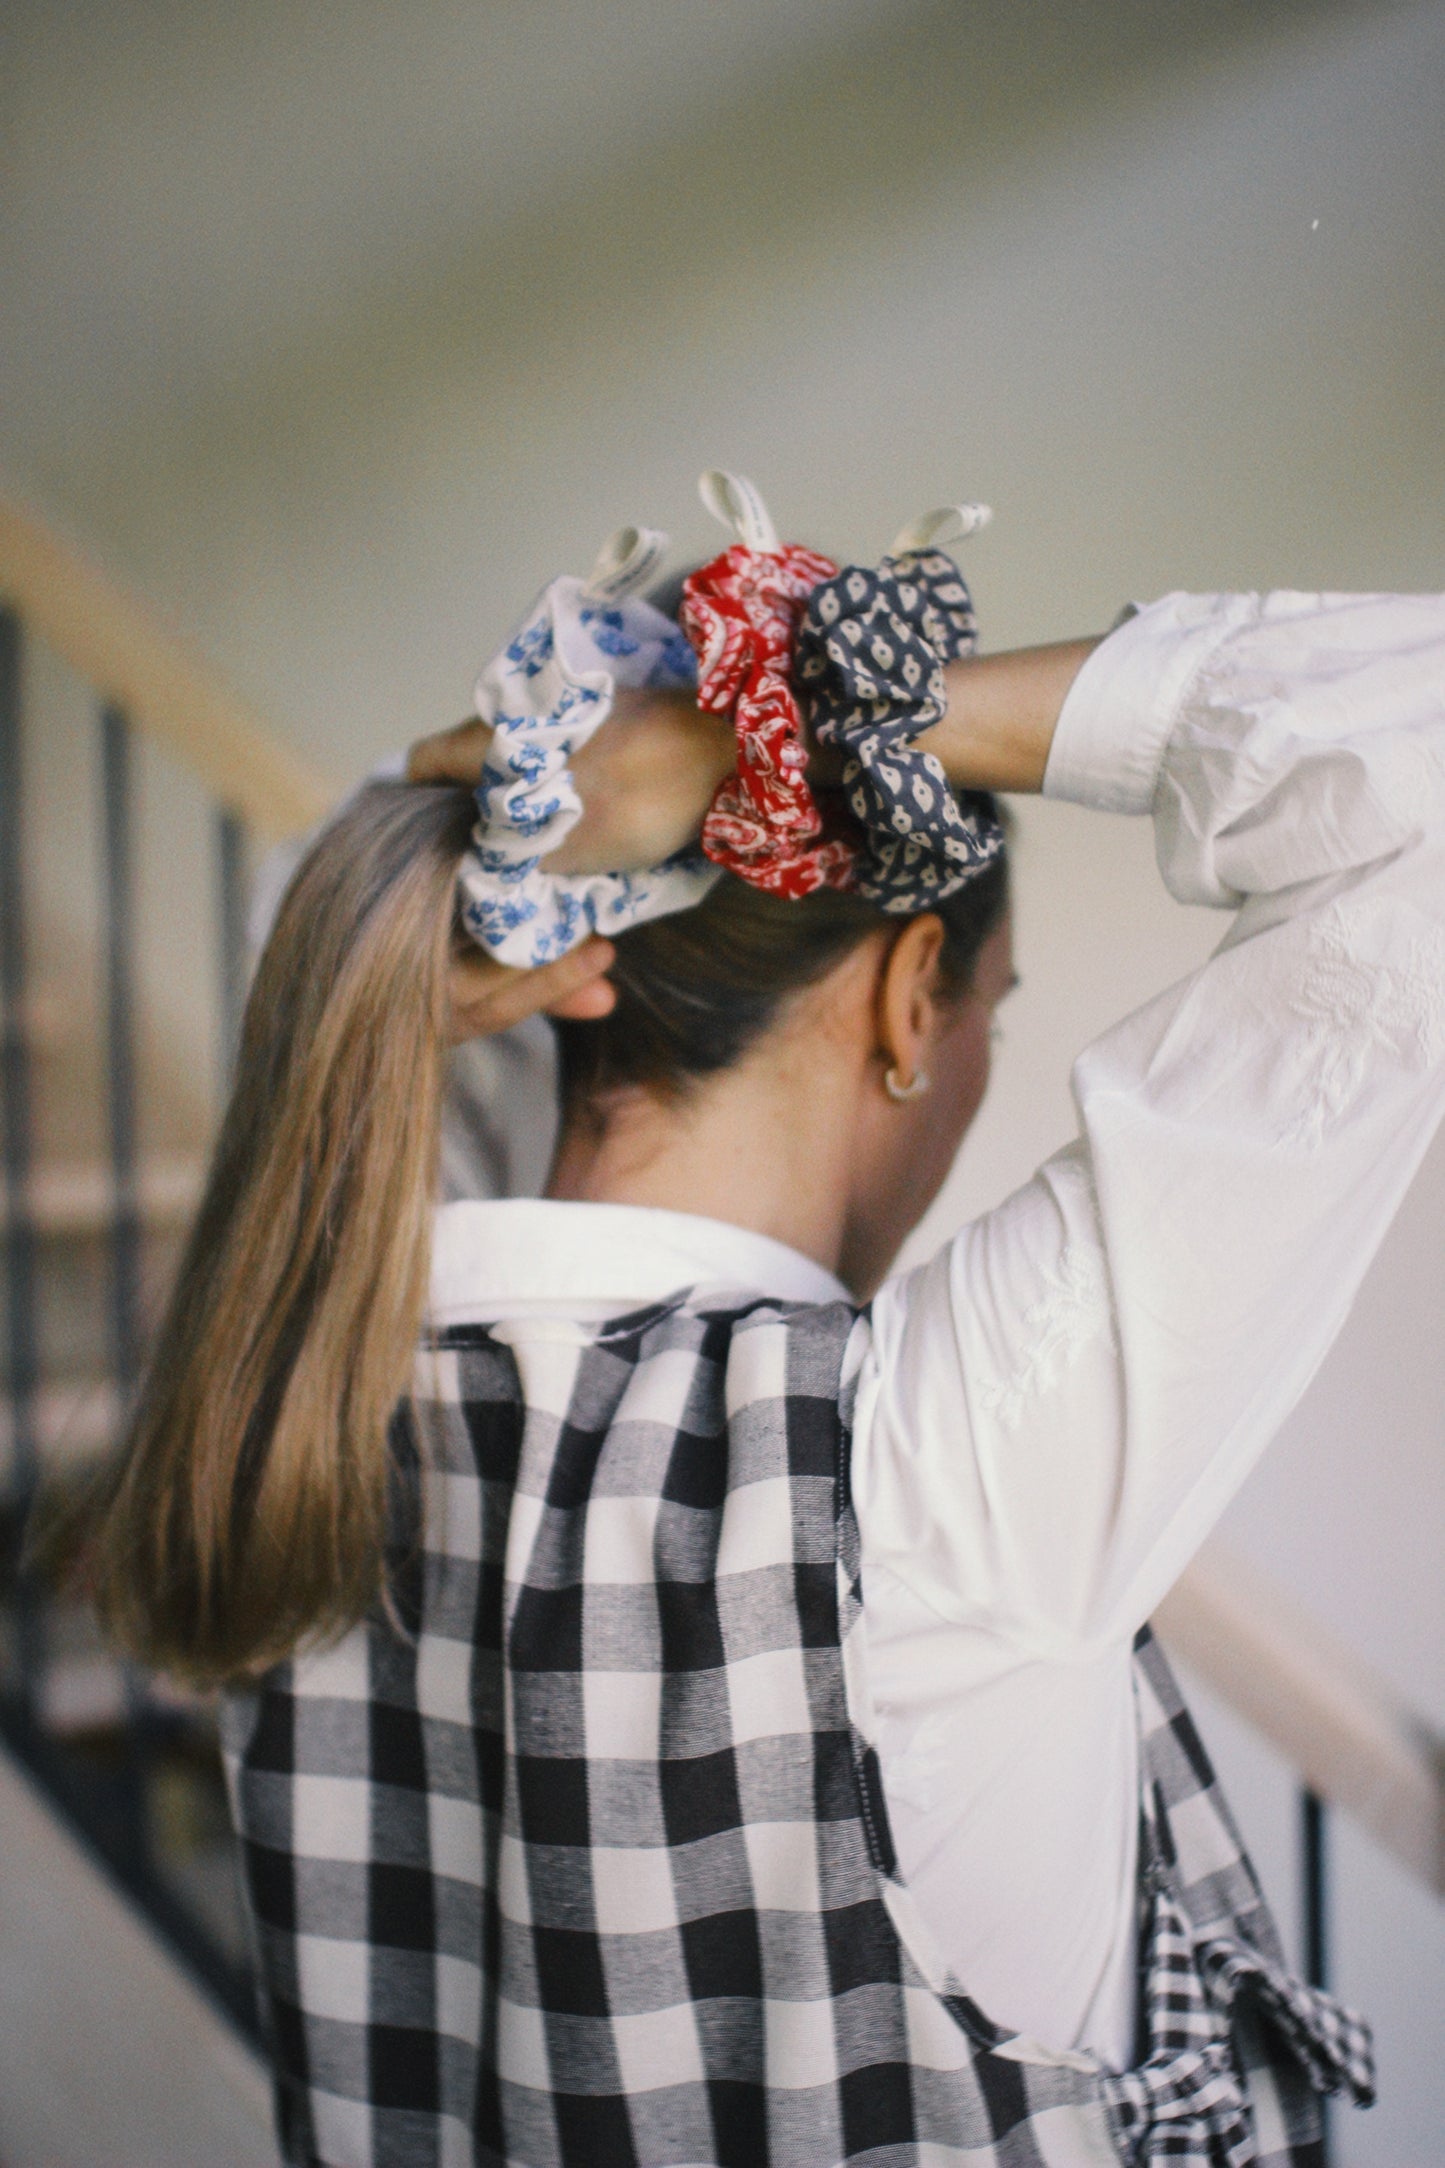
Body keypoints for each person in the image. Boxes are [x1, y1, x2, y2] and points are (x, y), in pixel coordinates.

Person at [82, 561, 1444, 2166]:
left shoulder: (299, 1391)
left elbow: (330, 881)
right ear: (910, 995)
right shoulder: (917, 1472)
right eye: (987, 1014)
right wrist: (751, 742)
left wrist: (650, 756)